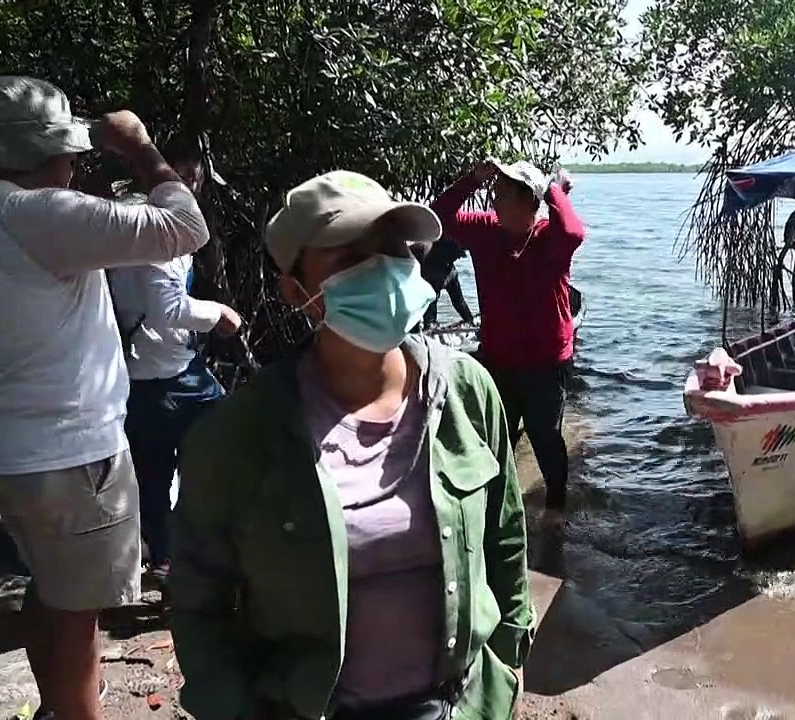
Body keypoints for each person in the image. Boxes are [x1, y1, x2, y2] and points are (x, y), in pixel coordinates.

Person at [169, 171, 534, 720]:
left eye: (392, 248)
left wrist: (507, 664)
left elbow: (505, 540)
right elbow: (200, 604)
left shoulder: (467, 391)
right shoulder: (239, 435)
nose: (383, 269)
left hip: (457, 705)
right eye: (350, 259)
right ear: (297, 292)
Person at [0, 76, 208, 720]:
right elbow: (185, 226)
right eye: (66, 151)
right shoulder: (38, 213)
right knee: (80, 611)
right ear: (32, 155)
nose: (74, 164)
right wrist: (141, 149)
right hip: (70, 452)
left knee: (50, 587)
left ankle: (57, 704)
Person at [108, 139, 242, 584]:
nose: (190, 188)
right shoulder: (161, 235)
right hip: (168, 372)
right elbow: (168, 307)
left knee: (152, 468)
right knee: (219, 451)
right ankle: (193, 555)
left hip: (137, 371)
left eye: (195, 180)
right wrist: (218, 313)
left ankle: (167, 557)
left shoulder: (123, 224)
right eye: (182, 178)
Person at [432, 160, 582, 527]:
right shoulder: (486, 230)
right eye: (494, 191)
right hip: (499, 359)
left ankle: (556, 507)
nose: (494, 198)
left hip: (546, 362)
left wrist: (553, 191)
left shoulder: (551, 238)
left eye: (502, 192)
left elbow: (574, 232)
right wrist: (472, 179)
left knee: (546, 438)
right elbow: (438, 218)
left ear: (527, 200)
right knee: (497, 439)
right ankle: (497, 514)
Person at [411, 236, 476, 327]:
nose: (458, 259)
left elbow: (459, 301)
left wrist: (470, 320)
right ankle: (428, 324)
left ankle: (430, 324)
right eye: (457, 256)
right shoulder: (425, 256)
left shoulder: (451, 272)